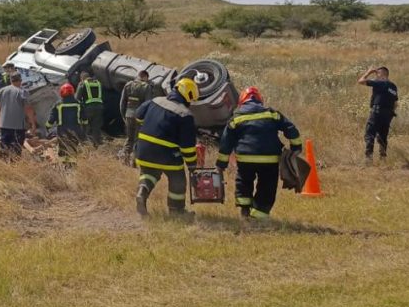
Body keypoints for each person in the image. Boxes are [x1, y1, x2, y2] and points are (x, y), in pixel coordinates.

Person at [215, 87, 302, 220]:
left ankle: (245, 211)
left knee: (244, 181)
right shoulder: (272, 114)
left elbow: (226, 143)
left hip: (245, 158)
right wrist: (296, 149)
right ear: (260, 100)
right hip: (270, 159)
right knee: (267, 186)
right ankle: (259, 215)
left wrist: (221, 164)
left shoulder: (236, 118)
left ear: (242, 102)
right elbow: (291, 129)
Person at [134, 77, 201, 219]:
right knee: (178, 178)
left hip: (143, 150)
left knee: (149, 173)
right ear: (187, 96)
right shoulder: (185, 115)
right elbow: (187, 148)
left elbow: (138, 116)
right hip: (166, 154)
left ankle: (142, 192)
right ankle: (177, 212)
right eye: (191, 100)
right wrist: (192, 166)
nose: (190, 104)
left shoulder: (155, 100)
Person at [358, 66, 398, 162]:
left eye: (377, 74)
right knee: (383, 136)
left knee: (370, 133)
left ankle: (369, 159)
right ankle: (383, 158)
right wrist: (389, 114)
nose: (376, 76)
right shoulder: (393, 86)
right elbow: (396, 104)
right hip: (387, 114)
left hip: (377, 112)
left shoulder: (380, 82)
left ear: (382, 74)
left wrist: (368, 72)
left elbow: (361, 81)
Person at [0, 73, 36, 160]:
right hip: (18, 126)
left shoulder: (2, 90)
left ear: (11, 80)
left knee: (4, 148)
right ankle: (14, 167)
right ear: (20, 81)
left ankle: (3, 167)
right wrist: (33, 123)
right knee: (16, 149)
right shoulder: (22, 92)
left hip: (4, 125)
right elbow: (28, 109)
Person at [119, 70, 154, 164]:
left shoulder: (128, 85)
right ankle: (133, 162)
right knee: (137, 139)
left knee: (129, 138)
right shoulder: (147, 87)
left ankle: (124, 160)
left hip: (128, 115)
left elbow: (122, 103)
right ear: (146, 77)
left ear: (138, 76)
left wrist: (124, 116)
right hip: (140, 117)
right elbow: (148, 105)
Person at [46, 83, 85, 167]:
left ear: (61, 92)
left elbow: (51, 119)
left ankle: (66, 167)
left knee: (63, 149)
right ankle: (72, 166)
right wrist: (84, 127)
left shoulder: (58, 104)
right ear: (72, 92)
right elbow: (84, 118)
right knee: (73, 148)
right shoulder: (78, 104)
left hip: (62, 131)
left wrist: (47, 126)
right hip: (76, 131)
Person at [76, 71, 105, 146]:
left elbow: (77, 98)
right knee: (96, 127)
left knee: (86, 126)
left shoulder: (83, 84)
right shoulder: (99, 83)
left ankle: (86, 144)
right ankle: (97, 144)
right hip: (99, 108)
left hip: (88, 109)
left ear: (82, 78)